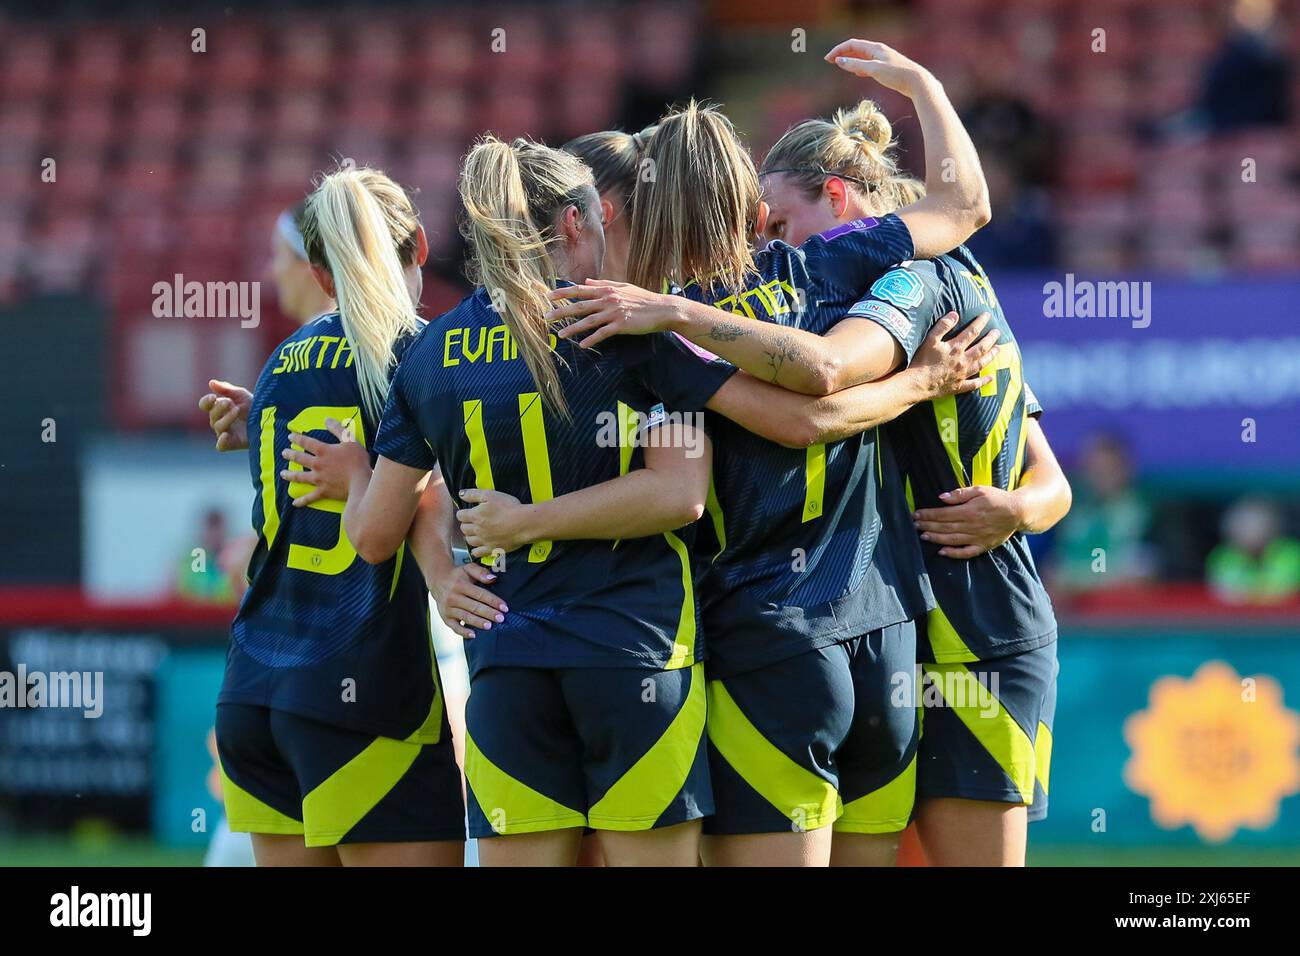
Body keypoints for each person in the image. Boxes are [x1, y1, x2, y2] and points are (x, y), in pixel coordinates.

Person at [532, 39, 996, 866]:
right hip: (885, 633)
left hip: (768, 641)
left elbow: (797, 422)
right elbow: (963, 204)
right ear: (749, 206)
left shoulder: (653, 330)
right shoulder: (827, 259)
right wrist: (923, 83)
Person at [755, 95, 1074, 865]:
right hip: (889, 628)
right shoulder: (899, 285)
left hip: (979, 629)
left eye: (778, 224)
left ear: (837, 197)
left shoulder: (917, 285)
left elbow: (1052, 482)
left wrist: (1012, 511)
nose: (773, 249)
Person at [202, 166, 468, 866]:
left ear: (319, 276)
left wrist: (257, 419)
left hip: (254, 693)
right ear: (420, 246)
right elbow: (405, 511)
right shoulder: (421, 353)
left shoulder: (278, 365)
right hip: (365, 692)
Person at [1207, 498, 1300, 603]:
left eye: (1257, 524)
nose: (1249, 531)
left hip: (1286, 617)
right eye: (1243, 525)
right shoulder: (1222, 556)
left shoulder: (1291, 552)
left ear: (1271, 526)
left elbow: (1284, 591)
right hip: (1236, 618)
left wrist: (1247, 592)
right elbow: (1224, 593)